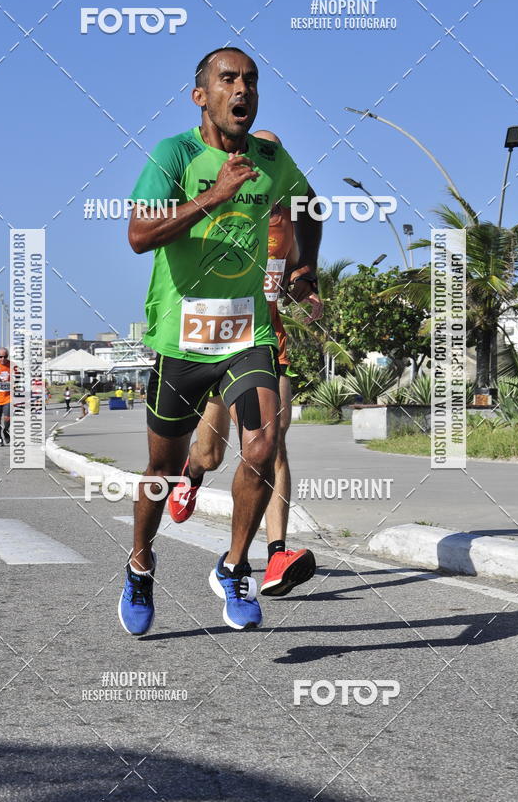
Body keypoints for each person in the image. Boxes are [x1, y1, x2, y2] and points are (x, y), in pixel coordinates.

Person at [118, 47, 321, 636]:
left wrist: (307, 266)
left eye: (251, 81)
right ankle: (139, 564)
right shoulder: (174, 154)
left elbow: (309, 207)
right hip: (180, 340)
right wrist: (215, 195)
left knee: (263, 446)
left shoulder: (270, 157)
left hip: (246, 333)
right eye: (228, 79)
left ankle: (234, 567)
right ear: (201, 94)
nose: (242, 90)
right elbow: (138, 234)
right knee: (163, 467)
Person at [168, 129, 324, 596]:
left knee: (272, 445)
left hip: (264, 342)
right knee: (210, 453)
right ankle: (191, 475)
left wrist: (304, 283)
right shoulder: (225, 202)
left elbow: (295, 262)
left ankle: (277, 555)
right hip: (216, 344)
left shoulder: (286, 220)